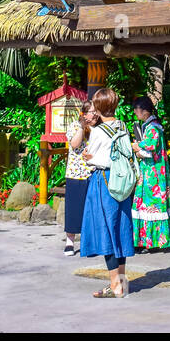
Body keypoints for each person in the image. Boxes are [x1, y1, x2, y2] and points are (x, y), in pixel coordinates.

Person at [79, 88, 136, 298]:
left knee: (106, 231)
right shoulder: (122, 125)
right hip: (122, 181)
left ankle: (115, 285)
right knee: (120, 229)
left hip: (103, 182)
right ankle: (121, 281)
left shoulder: (98, 131)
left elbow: (93, 157)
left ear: (100, 107)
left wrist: (88, 157)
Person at [130, 98, 170, 250]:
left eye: (136, 110)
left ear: (144, 111)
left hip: (153, 174)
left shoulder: (152, 128)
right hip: (153, 172)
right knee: (148, 205)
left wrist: (136, 147)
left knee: (149, 205)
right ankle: (150, 241)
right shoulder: (152, 125)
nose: (135, 113)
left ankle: (150, 241)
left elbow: (149, 149)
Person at [62, 98, 96, 257]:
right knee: (73, 208)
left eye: (96, 112)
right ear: (84, 113)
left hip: (93, 172)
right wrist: (83, 127)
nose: (94, 115)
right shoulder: (75, 126)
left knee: (91, 209)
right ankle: (70, 241)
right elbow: (74, 144)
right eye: (91, 112)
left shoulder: (98, 128)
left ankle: (89, 242)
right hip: (76, 173)